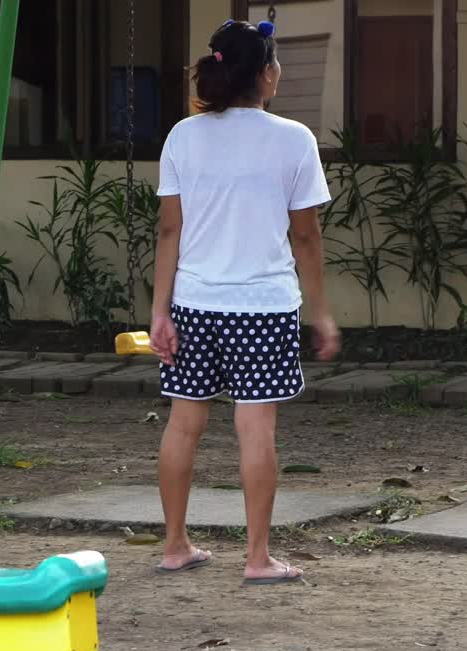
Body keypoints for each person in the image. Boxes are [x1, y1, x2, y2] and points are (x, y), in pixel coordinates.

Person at [147, 18, 340, 585]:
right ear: (267, 74)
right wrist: (321, 312)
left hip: (193, 304)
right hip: (263, 307)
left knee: (183, 425)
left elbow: (169, 231)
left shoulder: (183, 136)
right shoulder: (294, 139)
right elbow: (306, 237)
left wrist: (159, 312)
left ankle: (175, 545)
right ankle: (257, 558)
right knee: (256, 431)